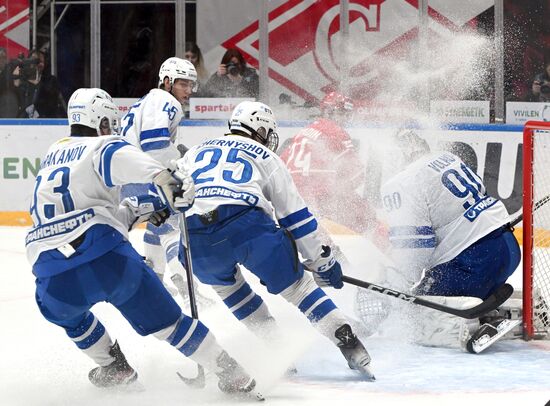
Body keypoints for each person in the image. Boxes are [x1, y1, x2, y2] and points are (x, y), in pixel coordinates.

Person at [25, 87, 258, 395]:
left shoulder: (52, 156)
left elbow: (78, 217)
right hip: (108, 259)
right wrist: (168, 182)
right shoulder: (102, 145)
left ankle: (114, 367)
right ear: (102, 122)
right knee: (170, 325)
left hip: (50, 276)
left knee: (70, 317)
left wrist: (140, 209)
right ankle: (229, 371)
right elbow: (130, 162)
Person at [176, 100, 375, 380]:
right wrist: (321, 260)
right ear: (260, 130)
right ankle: (346, 337)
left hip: (195, 237)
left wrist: (181, 250)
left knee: (232, 293)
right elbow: (296, 217)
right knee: (299, 289)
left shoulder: (195, 151)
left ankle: (279, 351)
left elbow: (170, 203)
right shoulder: (265, 155)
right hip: (247, 225)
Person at [375, 128, 521, 353]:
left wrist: (402, 286)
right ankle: (482, 303)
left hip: (474, 263)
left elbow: (415, 249)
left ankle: (472, 320)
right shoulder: (447, 158)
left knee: (412, 312)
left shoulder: (401, 182)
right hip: (508, 248)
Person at [120, 56, 211, 306]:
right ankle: (182, 281)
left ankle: (155, 281)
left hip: (129, 177)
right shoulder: (165, 101)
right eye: (183, 84)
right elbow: (155, 145)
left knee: (157, 226)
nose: (189, 90)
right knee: (173, 226)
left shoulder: (146, 101)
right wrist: (180, 161)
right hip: (146, 174)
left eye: (192, 85)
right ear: (167, 81)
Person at [279, 91, 387, 254]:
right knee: (368, 216)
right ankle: (383, 263)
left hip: (294, 199)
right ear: (329, 111)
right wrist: (341, 193)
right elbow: (356, 174)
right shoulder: (336, 132)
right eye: (342, 113)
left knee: (321, 232)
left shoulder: (304, 131)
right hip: (320, 197)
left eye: (346, 114)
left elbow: (282, 164)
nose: (345, 119)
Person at [13, 49, 66, 118]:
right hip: (23, 123)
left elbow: (51, 101)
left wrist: (37, 81)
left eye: (41, 61)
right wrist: (16, 79)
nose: (38, 64)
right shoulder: (22, 81)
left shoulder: (51, 80)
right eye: (35, 61)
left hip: (45, 121)